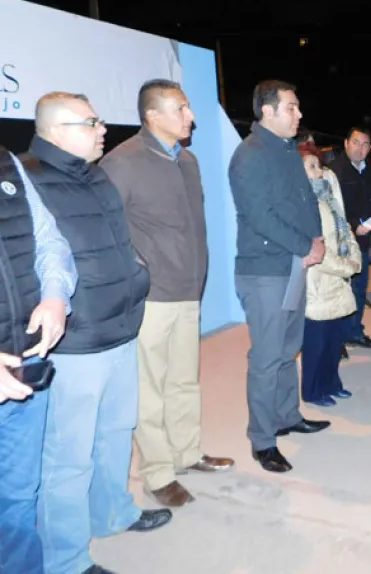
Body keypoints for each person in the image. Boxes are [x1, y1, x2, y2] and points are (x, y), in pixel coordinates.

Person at [23, 92, 172, 574]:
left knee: (115, 433)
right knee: (68, 459)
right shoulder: (30, 179)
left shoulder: (97, 174)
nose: (103, 128)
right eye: (92, 122)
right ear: (56, 130)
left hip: (121, 329)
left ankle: (112, 513)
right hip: (75, 343)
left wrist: (137, 271)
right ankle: (64, 560)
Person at [100, 80, 234, 508]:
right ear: (153, 116)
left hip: (188, 290)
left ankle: (186, 453)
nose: (190, 116)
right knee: (149, 388)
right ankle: (157, 473)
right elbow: (107, 228)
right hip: (152, 297)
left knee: (183, 381)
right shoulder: (123, 161)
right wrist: (139, 272)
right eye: (181, 109)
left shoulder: (188, 160)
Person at [229, 80, 330, 474]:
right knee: (267, 356)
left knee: (289, 348)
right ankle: (262, 439)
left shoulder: (287, 151)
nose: (298, 114)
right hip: (265, 270)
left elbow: (302, 203)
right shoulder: (250, 155)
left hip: (292, 263)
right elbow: (260, 217)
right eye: (291, 107)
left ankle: (288, 415)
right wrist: (306, 246)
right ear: (267, 112)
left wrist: (315, 239)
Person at [0, 145, 78, 574]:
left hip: (21, 367)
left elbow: (49, 240)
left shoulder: (7, 163)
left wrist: (54, 295)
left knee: (16, 500)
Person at [297, 142, 361, 406]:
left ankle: (332, 384)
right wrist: (347, 267)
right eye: (311, 167)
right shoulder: (301, 204)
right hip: (318, 284)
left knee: (335, 342)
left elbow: (345, 228)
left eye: (319, 166)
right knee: (317, 345)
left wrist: (354, 256)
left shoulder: (327, 198)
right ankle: (313, 391)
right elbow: (314, 249)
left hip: (337, 281)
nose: (319, 172)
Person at [328, 127, 371, 351]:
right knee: (339, 290)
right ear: (346, 143)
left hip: (363, 240)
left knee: (359, 289)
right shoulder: (333, 172)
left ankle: (354, 331)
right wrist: (353, 226)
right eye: (357, 143)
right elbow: (330, 209)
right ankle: (336, 340)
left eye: (366, 145)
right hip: (340, 241)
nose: (361, 148)